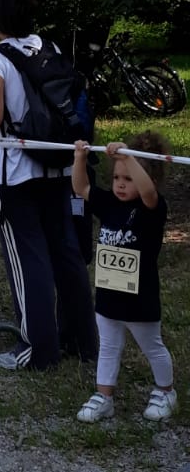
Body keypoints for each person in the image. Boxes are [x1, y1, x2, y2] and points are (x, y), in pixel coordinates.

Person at [0, 0, 96, 373]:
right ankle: (82, 341)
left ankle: (37, 348)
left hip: (14, 172)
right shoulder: (50, 49)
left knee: (27, 259)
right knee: (65, 252)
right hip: (58, 164)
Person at [71, 135, 178, 423]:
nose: (120, 183)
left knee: (152, 346)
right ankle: (104, 396)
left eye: (128, 178)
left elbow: (149, 193)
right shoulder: (108, 203)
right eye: (117, 177)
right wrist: (79, 158)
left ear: (146, 178)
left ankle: (165, 391)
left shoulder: (151, 208)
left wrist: (128, 156)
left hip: (140, 297)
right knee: (108, 346)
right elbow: (81, 187)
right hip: (108, 292)